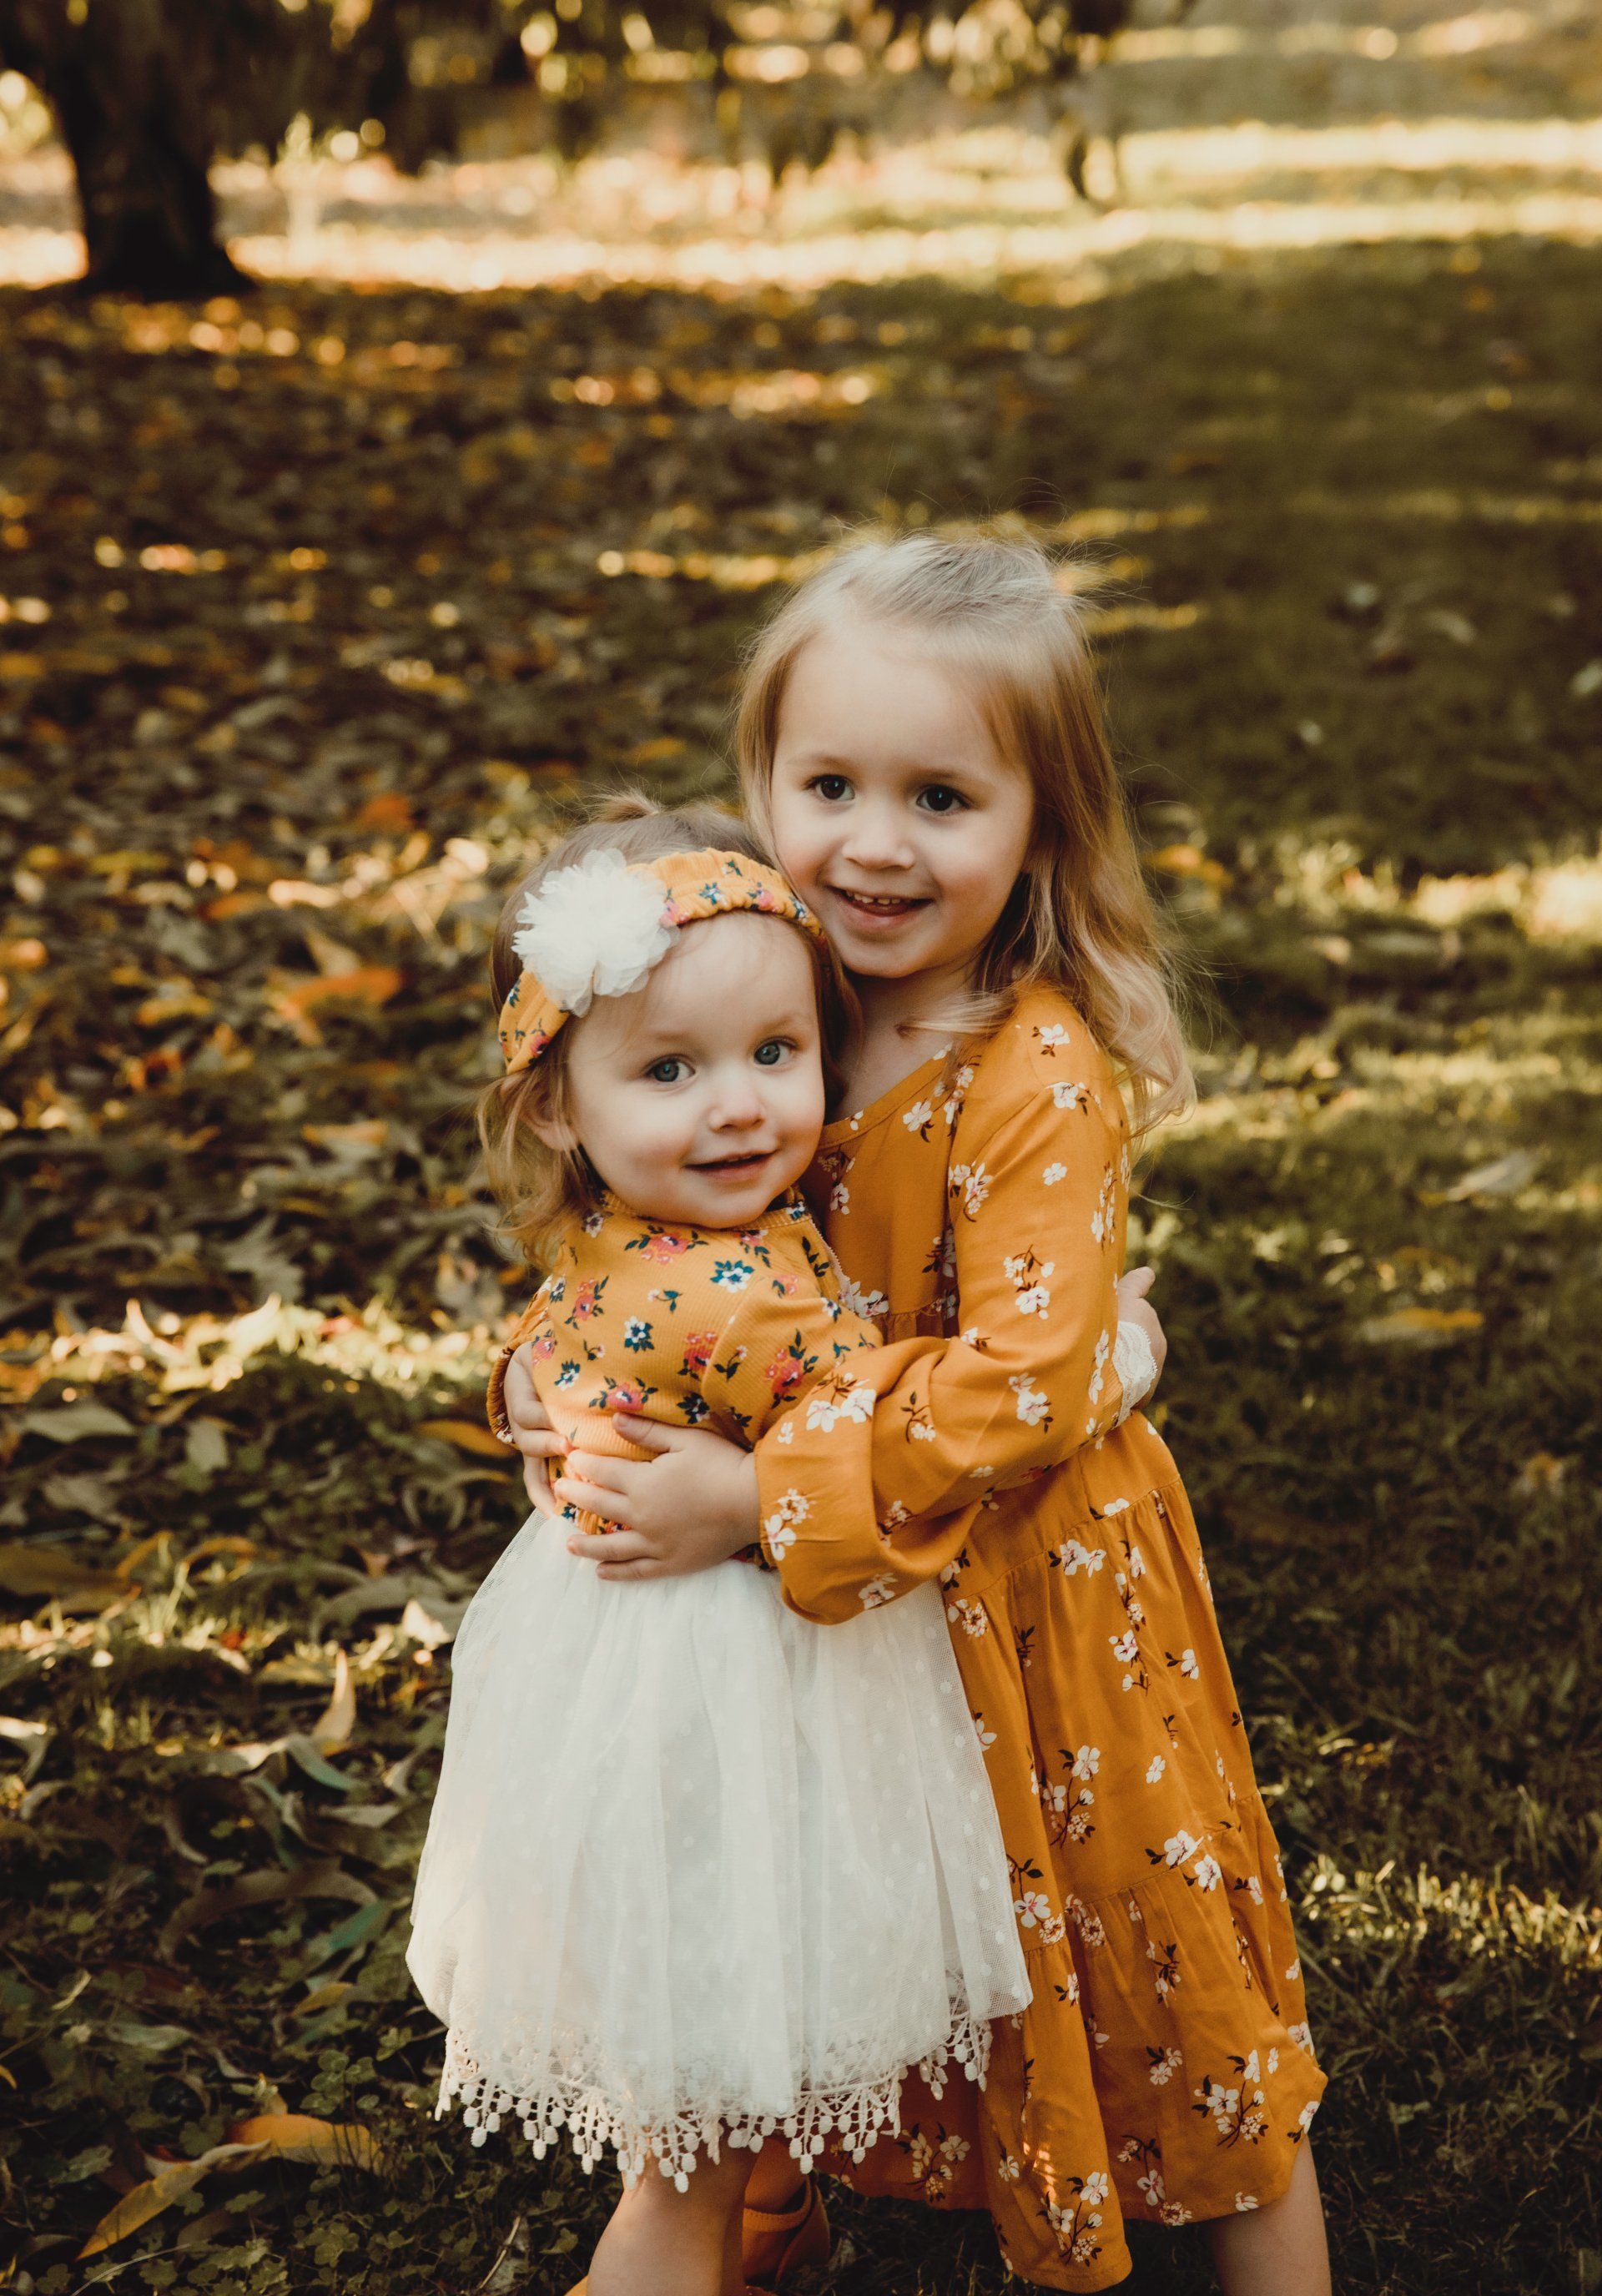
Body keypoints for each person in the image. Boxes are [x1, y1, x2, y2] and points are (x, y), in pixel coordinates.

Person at [499, 537, 1332, 2294]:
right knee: (795, 1905)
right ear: (764, 785)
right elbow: (634, 1241)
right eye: (831, 787)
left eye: (941, 797)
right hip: (838, 1613)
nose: (875, 844)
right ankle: (757, 2205)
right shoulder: (758, 996)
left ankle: (1270, 2247)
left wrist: (753, 1499)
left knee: (1142, 1947)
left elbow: (1022, 1382)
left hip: (1031, 1597)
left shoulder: (1031, 1067)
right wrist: (550, 1386)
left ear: (1042, 824)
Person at [407, 798, 1041, 2296]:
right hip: (738, 1676)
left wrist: (520, 1384)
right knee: (727, 1997)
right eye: (671, 1071)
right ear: (556, 1106)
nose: (740, 1107)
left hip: (632, 1677)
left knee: (703, 1970)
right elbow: (892, 1430)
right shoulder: (742, 1296)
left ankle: (766, 2217)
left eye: (774, 1051)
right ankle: (682, 2243)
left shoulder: (614, 1233)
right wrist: (1096, 1357)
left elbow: (555, 1339)